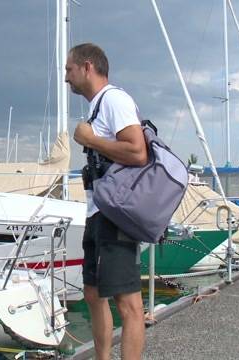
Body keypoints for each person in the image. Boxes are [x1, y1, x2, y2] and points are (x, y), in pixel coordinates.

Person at [66, 43, 148, 360]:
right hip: (97, 211)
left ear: (87, 67)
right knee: (92, 294)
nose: (66, 77)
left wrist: (90, 140)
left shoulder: (115, 100)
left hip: (115, 213)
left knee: (129, 304)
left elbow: (137, 152)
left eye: (69, 70)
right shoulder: (98, 106)